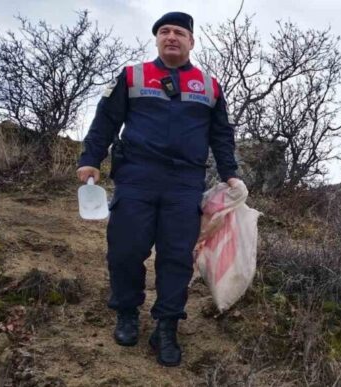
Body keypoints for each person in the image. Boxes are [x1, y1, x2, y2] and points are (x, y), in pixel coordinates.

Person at [76, 11, 242, 367]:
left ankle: (166, 326)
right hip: (136, 176)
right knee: (125, 249)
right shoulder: (133, 76)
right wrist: (90, 158)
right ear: (156, 39)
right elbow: (106, 120)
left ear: (191, 41)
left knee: (176, 258)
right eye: (164, 31)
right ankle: (127, 313)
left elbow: (221, 135)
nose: (171, 37)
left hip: (184, 184)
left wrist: (231, 173)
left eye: (179, 33)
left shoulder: (210, 86)